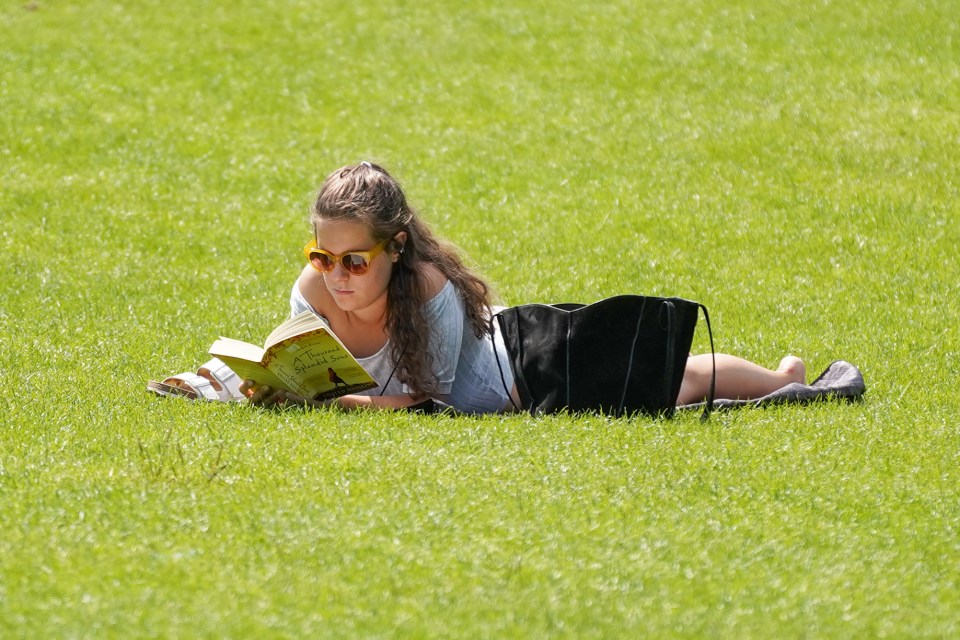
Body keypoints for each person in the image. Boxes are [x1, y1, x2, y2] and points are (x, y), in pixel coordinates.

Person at [240, 162, 806, 413]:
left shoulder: (427, 288)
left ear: (396, 246)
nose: (335, 276)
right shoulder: (312, 291)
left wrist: (333, 406)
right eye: (323, 257)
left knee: (672, 382)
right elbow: (298, 364)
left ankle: (784, 380)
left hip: (527, 368)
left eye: (354, 262)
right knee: (668, 381)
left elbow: (423, 403)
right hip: (511, 370)